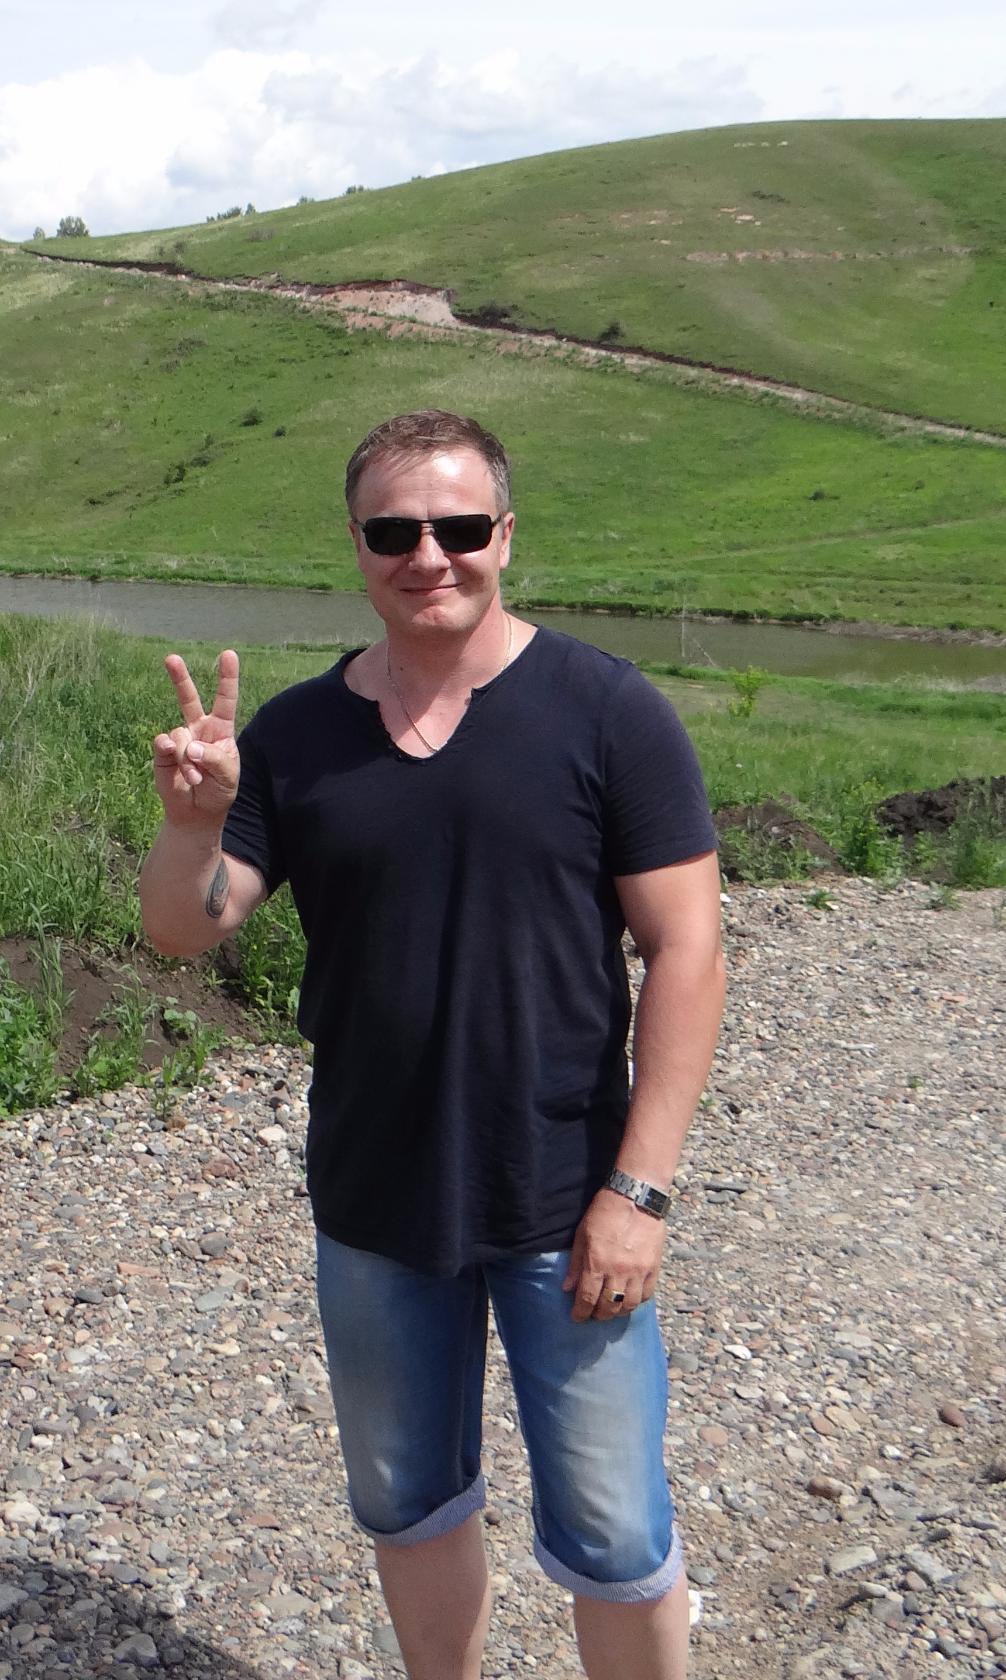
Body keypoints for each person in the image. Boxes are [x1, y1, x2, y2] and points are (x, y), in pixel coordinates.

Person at [139, 409, 725, 1680]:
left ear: (503, 536)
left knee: (617, 1531)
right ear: (355, 546)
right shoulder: (295, 734)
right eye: (394, 531)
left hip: (568, 1194)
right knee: (408, 1500)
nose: (428, 555)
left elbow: (686, 949)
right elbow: (186, 931)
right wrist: (193, 826)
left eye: (458, 527)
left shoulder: (607, 711)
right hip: (374, 1196)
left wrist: (639, 1191)